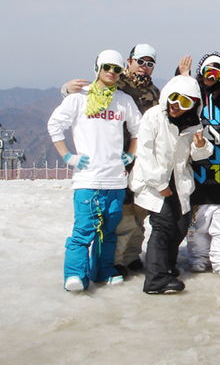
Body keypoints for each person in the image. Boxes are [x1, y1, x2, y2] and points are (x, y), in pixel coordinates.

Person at [61, 44, 161, 277]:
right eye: (140, 61)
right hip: (115, 161)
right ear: (129, 61)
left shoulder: (154, 91)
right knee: (121, 215)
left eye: (149, 63)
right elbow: (89, 94)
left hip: (143, 160)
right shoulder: (117, 82)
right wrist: (66, 90)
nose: (144, 67)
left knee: (139, 211)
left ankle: (132, 255)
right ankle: (116, 259)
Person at [48, 50, 142, 292]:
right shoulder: (80, 97)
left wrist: (131, 153)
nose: (111, 72)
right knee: (83, 231)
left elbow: (138, 129)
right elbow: (55, 124)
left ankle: (103, 270)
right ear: (97, 68)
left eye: (117, 69)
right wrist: (67, 156)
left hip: (115, 180)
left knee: (108, 231)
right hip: (88, 179)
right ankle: (75, 274)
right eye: (107, 67)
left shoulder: (123, 100)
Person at [129, 75, 213, 294]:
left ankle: (167, 266)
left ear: (193, 104)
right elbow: (144, 152)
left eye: (185, 101)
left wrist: (200, 146)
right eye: (174, 97)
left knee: (181, 225)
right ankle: (155, 279)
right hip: (154, 181)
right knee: (163, 225)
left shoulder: (193, 123)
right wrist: (159, 183)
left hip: (178, 181)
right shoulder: (154, 116)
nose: (176, 105)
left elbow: (196, 155)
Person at [178, 52, 220, 278]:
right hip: (196, 170)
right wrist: (183, 78)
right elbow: (175, 109)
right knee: (197, 222)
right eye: (208, 71)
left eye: (217, 73)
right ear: (200, 72)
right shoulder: (192, 96)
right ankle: (198, 256)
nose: (211, 77)